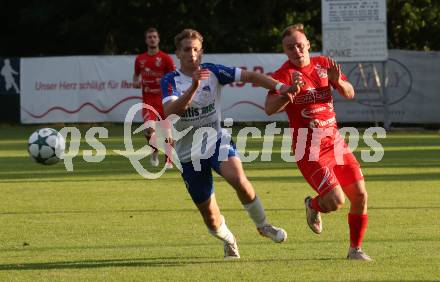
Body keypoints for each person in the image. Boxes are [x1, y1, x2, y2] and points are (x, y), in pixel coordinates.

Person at [160, 29, 291, 259]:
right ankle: (229, 238)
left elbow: (250, 76)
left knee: (237, 177)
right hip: (189, 154)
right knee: (211, 218)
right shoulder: (170, 81)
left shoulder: (213, 71)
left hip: (215, 140)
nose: (192, 54)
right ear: (178, 54)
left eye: (196, 49)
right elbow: (171, 111)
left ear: (201, 52)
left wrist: (280, 87)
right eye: (187, 50)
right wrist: (193, 87)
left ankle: (263, 225)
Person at [264, 23, 372, 261]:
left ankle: (355, 250)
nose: (296, 50)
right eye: (290, 47)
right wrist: (289, 92)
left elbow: (350, 93)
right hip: (308, 148)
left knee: (361, 196)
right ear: (285, 51)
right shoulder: (282, 75)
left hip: (335, 143)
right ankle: (313, 205)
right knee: (335, 201)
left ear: (308, 45)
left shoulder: (323, 64)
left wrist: (339, 82)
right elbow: (269, 109)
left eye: (300, 45)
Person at [133, 27, 175, 168]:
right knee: (149, 129)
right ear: (146, 40)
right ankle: (155, 150)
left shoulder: (166, 59)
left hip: (164, 101)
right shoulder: (140, 59)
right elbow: (136, 76)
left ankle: (168, 159)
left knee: (167, 133)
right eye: (149, 37)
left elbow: (174, 78)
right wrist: (135, 82)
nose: (152, 39)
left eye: (154, 36)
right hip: (148, 102)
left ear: (158, 39)